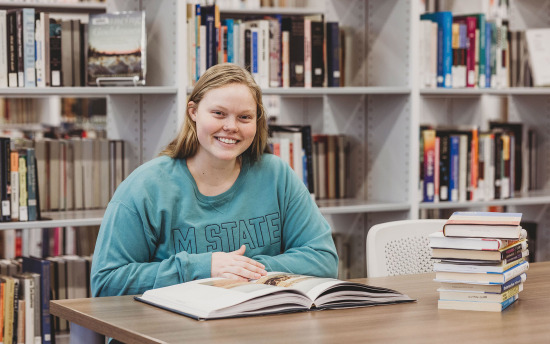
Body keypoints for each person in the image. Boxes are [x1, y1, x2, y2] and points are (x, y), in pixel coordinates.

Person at [91, 63, 338, 297]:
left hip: (254, 324)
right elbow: (106, 282)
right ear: (193, 112)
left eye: (244, 117)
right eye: (219, 113)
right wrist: (205, 268)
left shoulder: (277, 175)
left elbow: (323, 260)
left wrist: (240, 269)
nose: (231, 126)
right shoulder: (146, 186)